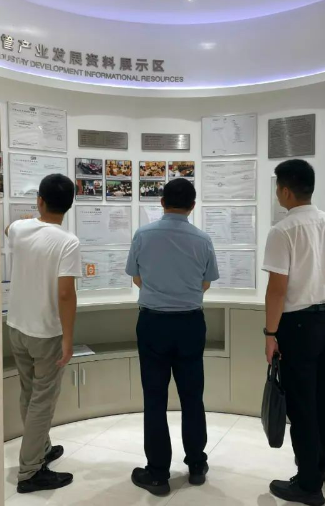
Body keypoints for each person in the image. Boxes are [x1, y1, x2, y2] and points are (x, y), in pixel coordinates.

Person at [262, 160, 325, 506]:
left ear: (285, 191)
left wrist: (270, 333)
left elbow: (277, 290)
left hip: (298, 326)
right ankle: (319, 465)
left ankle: (308, 484)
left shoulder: (282, 230)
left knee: (301, 403)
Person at [125, 178, 220, 496]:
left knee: (154, 399)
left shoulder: (143, 235)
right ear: (192, 206)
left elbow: (136, 277)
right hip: (190, 323)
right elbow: (206, 283)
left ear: (162, 202)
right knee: (193, 396)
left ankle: (157, 473)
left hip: (153, 323)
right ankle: (196, 465)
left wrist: (159, 292)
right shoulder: (203, 240)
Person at [5, 174, 82, 494]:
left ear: (40, 200)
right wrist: (68, 338)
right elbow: (65, 294)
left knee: (29, 393)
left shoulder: (20, 229)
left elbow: (8, 229)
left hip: (17, 327)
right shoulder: (68, 241)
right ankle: (30, 471)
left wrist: (30, 218)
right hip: (45, 333)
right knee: (42, 401)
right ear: (69, 205)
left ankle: (41, 448)